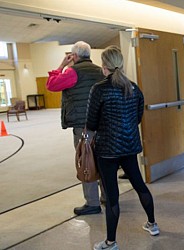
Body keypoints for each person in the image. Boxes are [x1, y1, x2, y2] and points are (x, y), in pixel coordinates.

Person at [87, 46, 159, 250]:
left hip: (107, 149)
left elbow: (91, 123)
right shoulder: (133, 88)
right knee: (139, 185)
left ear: (104, 66)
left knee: (112, 195)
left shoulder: (99, 89)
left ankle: (111, 242)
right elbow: (137, 117)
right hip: (130, 146)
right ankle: (152, 224)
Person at [46, 41, 104, 215]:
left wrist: (62, 65)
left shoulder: (73, 72)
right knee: (102, 161)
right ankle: (108, 197)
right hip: (102, 123)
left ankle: (92, 203)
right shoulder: (100, 70)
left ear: (74, 56)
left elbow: (52, 85)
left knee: (86, 161)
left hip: (83, 125)